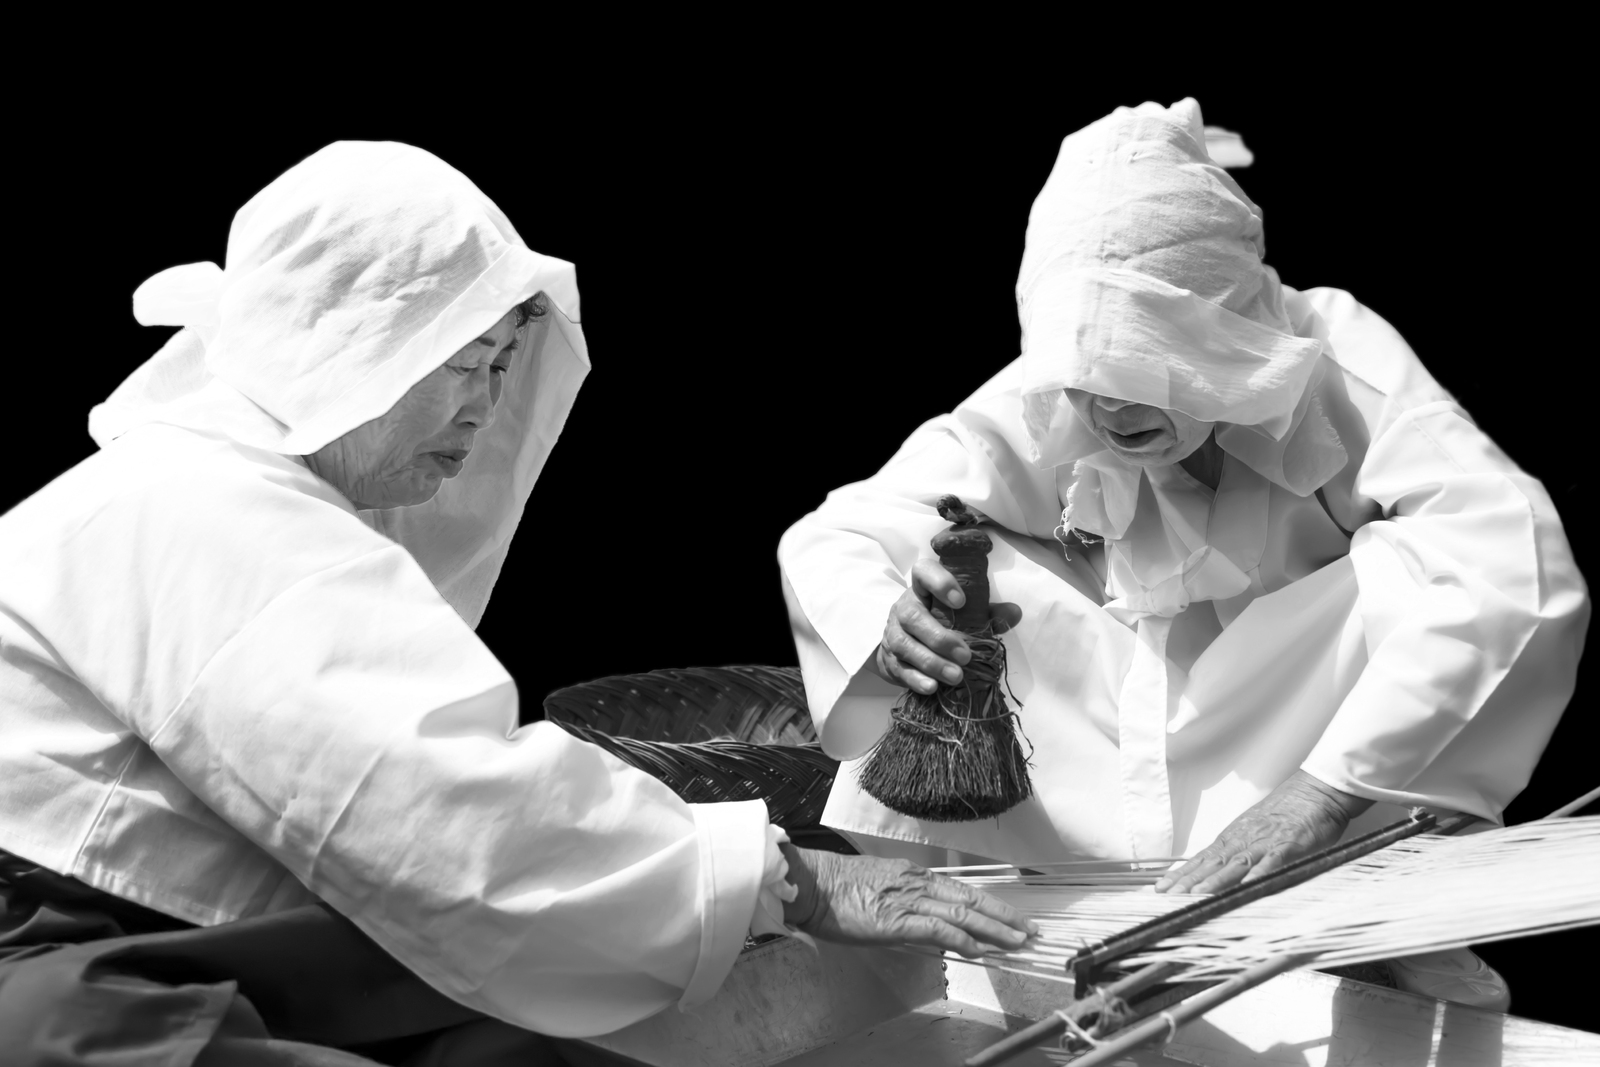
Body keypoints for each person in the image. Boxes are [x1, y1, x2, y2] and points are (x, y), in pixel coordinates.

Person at [0, 141, 1035, 1065]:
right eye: (461, 364)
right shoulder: (207, 506)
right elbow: (432, 797)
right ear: (351, 345)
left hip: (157, 943)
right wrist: (787, 880)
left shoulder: (214, 481)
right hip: (58, 971)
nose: (485, 406)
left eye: (499, 366)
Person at [778, 100, 1587, 1009]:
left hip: (1312, 724)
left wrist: (1320, 795)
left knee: (1419, 572)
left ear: (1217, 332)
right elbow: (839, 531)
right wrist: (893, 619)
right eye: (1085, 379)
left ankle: (1389, 905)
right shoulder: (1059, 384)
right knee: (949, 562)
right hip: (1119, 732)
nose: (1107, 410)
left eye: (1142, 368)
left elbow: (1512, 554)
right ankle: (1017, 926)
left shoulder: (1335, 354)